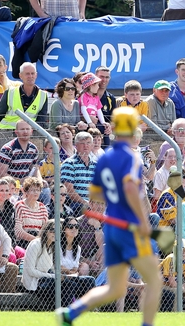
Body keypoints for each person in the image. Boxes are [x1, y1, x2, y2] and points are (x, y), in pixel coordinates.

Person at [56, 107, 163, 326]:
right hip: (130, 227)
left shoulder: (103, 159)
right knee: (154, 280)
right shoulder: (131, 158)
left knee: (115, 288)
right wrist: (143, 223)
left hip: (112, 228)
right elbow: (132, 190)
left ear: (113, 128)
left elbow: (96, 196)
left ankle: (71, 313)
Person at [0, 62, 48, 129]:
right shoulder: (9, 92)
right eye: (27, 74)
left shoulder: (43, 96)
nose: (30, 76)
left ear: (36, 75)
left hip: (28, 134)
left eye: (32, 73)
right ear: (20, 76)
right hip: (7, 132)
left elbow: (41, 121)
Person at [61, 131, 95, 214]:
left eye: (88, 143)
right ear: (76, 145)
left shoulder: (96, 164)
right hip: (75, 204)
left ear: (92, 145)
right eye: (82, 143)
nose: (86, 146)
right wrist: (85, 202)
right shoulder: (69, 163)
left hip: (93, 202)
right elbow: (69, 190)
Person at [14, 177, 49, 248]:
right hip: (23, 242)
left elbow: (45, 228)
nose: (36, 192)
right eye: (33, 190)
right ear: (26, 191)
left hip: (39, 240)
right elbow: (18, 230)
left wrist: (39, 240)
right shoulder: (19, 206)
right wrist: (35, 240)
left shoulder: (42, 207)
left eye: (38, 190)